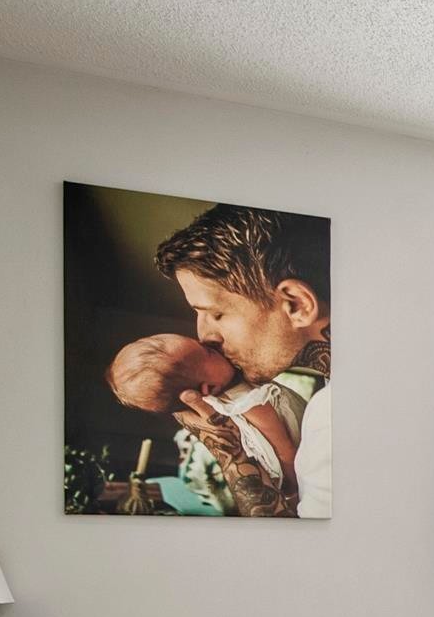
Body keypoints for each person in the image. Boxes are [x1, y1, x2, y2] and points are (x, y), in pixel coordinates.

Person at [152, 205, 332, 517]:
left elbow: (294, 556)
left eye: (216, 313)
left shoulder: (333, 415)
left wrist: (227, 452)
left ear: (297, 304)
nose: (204, 335)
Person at [105, 333, 303, 496]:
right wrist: (290, 469)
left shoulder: (227, 388)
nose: (210, 343)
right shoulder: (241, 400)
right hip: (293, 448)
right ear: (209, 387)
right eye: (208, 352)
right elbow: (276, 435)